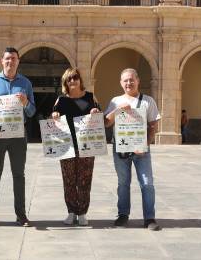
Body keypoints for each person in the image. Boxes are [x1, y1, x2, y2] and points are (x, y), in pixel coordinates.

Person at [0, 47, 36, 228]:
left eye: (14, 59)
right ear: (2, 61)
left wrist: (26, 103)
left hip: (18, 136)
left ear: (18, 61)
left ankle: (21, 215)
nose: (10, 61)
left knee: (19, 175)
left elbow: (32, 111)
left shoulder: (25, 83)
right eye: (7, 59)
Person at [104, 68, 161, 231]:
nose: (129, 83)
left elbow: (152, 126)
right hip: (120, 149)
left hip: (141, 150)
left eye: (131, 80)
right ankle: (123, 215)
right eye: (125, 80)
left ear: (138, 81)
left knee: (147, 183)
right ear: (121, 83)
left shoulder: (147, 101)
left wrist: (145, 146)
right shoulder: (115, 100)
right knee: (123, 183)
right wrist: (117, 110)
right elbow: (107, 123)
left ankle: (149, 218)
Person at [51, 68, 101, 226]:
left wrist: (95, 112)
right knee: (69, 180)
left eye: (75, 77)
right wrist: (54, 116)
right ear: (65, 82)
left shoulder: (90, 97)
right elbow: (53, 118)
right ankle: (71, 212)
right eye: (69, 79)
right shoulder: (60, 100)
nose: (72, 81)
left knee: (85, 180)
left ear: (80, 80)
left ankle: (83, 213)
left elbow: (100, 116)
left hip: (86, 144)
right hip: (66, 145)